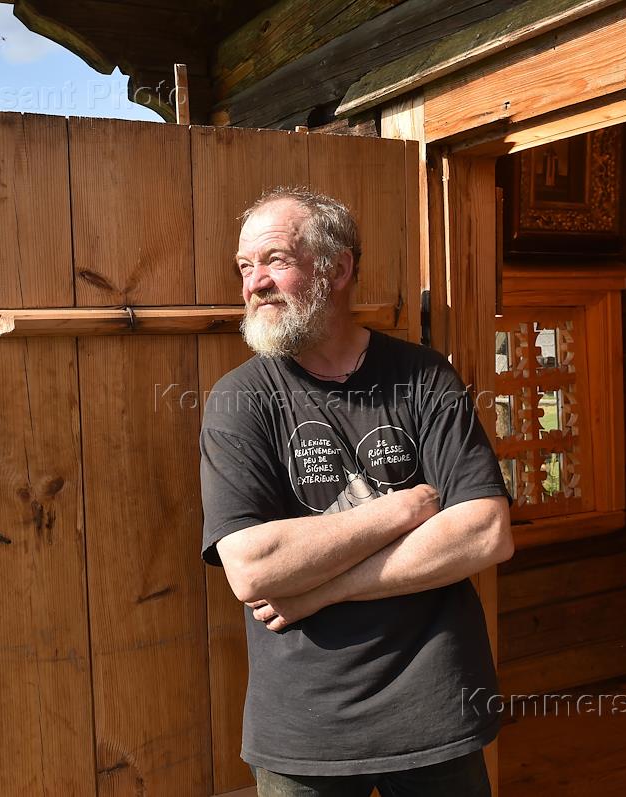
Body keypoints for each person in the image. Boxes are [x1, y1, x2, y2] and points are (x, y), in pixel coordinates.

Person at [199, 187, 514, 796]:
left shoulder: (424, 378)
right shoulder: (241, 399)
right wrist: (404, 508)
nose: (254, 283)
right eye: (245, 266)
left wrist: (323, 589)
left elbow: (485, 533)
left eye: (275, 260)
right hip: (304, 731)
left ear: (338, 269)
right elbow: (253, 567)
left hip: (434, 711)